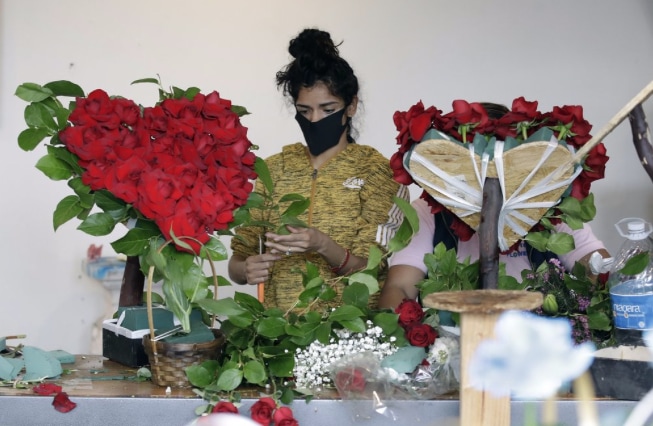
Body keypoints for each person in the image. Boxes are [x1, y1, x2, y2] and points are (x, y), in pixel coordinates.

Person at [229, 28, 408, 311]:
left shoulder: (377, 172)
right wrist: (247, 269)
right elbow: (238, 261)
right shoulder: (274, 170)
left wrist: (322, 244)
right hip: (279, 334)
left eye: (327, 109)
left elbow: (371, 271)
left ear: (351, 106)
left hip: (350, 334)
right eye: (304, 111)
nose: (314, 119)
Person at [378, 102, 611, 309]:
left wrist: (595, 285)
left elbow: (594, 263)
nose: (488, 173)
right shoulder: (429, 211)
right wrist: (396, 333)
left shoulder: (546, 203)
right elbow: (400, 287)